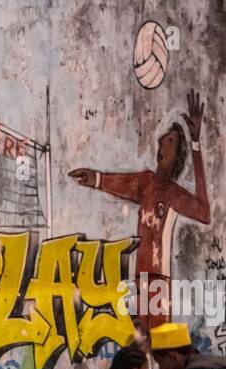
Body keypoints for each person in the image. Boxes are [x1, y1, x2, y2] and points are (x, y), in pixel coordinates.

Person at [68, 90, 210, 329]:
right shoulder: (146, 182)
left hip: (159, 282)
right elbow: (119, 182)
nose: (164, 144)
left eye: (172, 142)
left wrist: (196, 145)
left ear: (178, 156)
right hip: (139, 279)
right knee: (139, 342)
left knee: (158, 343)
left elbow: (204, 213)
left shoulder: (176, 195)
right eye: (165, 140)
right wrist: (95, 178)